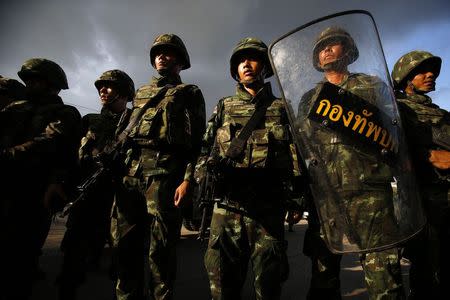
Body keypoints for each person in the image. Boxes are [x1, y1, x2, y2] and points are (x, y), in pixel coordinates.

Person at [299, 27, 405, 299]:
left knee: (383, 279)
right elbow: (302, 148)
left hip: (370, 195)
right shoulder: (309, 99)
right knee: (323, 279)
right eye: (321, 47)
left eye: (333, 43)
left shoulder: (371, 87)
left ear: (347, 50)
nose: (326, 49)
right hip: (328, 199)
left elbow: (396, 133)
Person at [202, 37, 304, 300]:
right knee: (222, 286)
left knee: (268, 286)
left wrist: (296, 200)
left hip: (268, 209)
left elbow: (296, 155)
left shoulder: (282, 108)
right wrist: (195, 179)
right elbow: (206, 149)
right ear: (235, 69)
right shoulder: (224, 106)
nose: (246, 64)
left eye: (253, 59)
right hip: (227, 208)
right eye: (240, 61)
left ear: (266, 67)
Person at [111, 33, 206, 300]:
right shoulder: (141, 92)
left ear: (180, 60)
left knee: (160, 252)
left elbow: (197, 141)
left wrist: (188, 180)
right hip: (131, 176)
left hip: (164, 177)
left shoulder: (189, 92)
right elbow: (126, 133)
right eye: (157, 52)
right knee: (124, 248)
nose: (161, 55)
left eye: (168, 51)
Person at [0, 58, 81, 299]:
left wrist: (8, 155)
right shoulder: (13, 109)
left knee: (21, 257)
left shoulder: (64, 113)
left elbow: (50, 142)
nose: (31, 85)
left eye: (38, 81)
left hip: (34, 191)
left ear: (53, 85)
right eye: (30, 80)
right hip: (5, 186)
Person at [56, 69, 134, 300]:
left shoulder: (135, 121)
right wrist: (61, 181)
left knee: (123, 259)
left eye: (109, 86)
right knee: (73, 253)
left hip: (121, 195)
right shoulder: (89, 121)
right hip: (88, 194)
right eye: (100, 86)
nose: (102, 90)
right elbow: (70, 156)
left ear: (124, 92)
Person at [392, 50, 450, 299]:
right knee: (426, 272)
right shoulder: (395, 110)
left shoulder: (444, 115)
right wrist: (427, 157)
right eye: (421, 70)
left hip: (446, 201)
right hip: (422, 202)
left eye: (433, 72)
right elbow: (390, 150)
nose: (430, 75)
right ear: (406, 77)